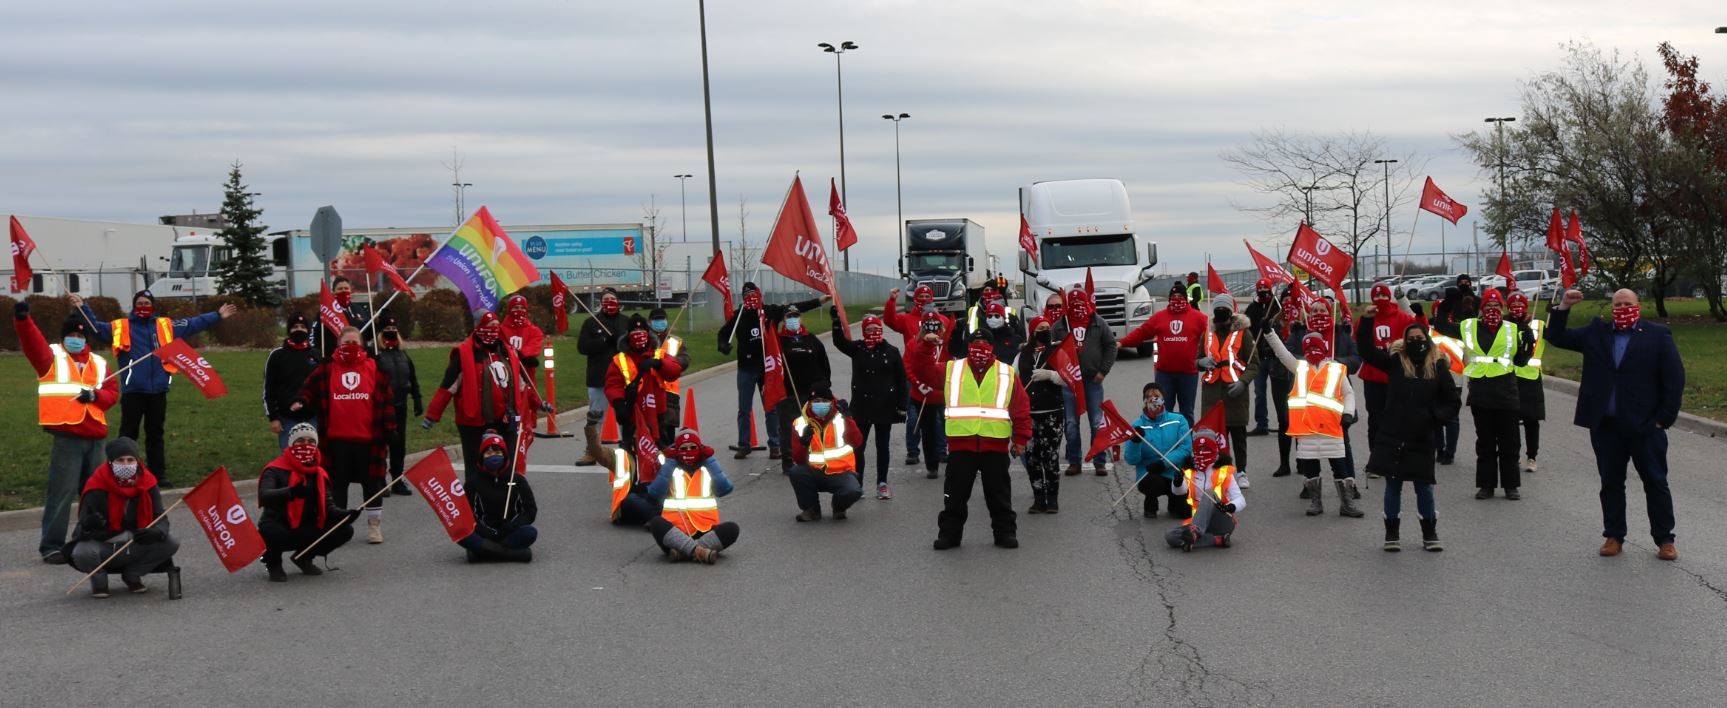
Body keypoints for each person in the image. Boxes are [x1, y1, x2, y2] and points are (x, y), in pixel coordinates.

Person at [1547, 288, 1684, 560]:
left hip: (1645, 426)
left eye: (1627, 304)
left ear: (1638, 306)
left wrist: (1663, 419)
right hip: (1607, 426)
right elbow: (1556, 336)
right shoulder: (1596, 333)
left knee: (1655, 482)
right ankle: (1613, 536)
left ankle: (1665, 539)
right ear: (1611, 308)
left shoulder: (1657, 335)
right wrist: (1563, 307)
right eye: (1618, 304)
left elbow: (1674, 378)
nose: (1623, 308)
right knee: (1610, 482)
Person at [73, 291, 234, 485]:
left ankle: (158, 475)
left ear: (153, 305)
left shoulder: (165, 326)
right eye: (140, 303)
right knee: (128, 435)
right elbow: (96, 328)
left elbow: (193, 323)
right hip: (133, 391)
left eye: (146, 303)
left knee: (155, 434)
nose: (143, 306)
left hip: (158, 391)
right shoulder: (120, 327)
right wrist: (82, 307)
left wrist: (217, 315)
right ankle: (122, 473)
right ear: (134, 306)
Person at [15, 302, 119, 564]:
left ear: (86, 339)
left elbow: (112, 393)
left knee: (96, 493)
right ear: (63, 338)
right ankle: (52, 546)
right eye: (71, 335)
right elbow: (32, 344)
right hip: (68, 437)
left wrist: (95, 396)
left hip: (96, 437)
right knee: (61, 493)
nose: (76, 339)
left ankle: (92, 537)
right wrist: (24, 321)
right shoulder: (51, 358)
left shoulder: (99, 363)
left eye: (80, 335)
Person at [1356, 316, 1461, 553]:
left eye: (1419, 338)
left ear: (1427, 340)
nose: (1415, 342)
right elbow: (1366, 351)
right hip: (1393, 435)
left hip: (1422, 436)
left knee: (1424, 487)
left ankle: (1429, 533)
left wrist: (1434, 417)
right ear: (1404, 342)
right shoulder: (1395, 363)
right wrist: (1367, 321)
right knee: (1393, 486)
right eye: (1411, 339)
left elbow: (1452, 402)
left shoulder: (1438, 366)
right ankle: (1392, 533)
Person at [290, 326, 396, 544]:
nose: (350, 347)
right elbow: (309, 388)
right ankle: (338, 526)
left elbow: (387, 401)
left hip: (369, 440)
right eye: (346, 343)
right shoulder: (327, 368)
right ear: (338, 345)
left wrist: (391, 429)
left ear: (362, 345)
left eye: (354, 343)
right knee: (338, 485)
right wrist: (301, 400)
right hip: (336, 440)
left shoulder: (375, 368)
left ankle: (374, 526)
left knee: (373, 484)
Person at [933, 330, 1032, 550]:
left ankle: (1005, 533)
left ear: (992, 347)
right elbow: (923, 372)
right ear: (968, 346)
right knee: (955, 495)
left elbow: (1020, 407)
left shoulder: (1006, 372)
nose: (980, 346)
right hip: (961, 445)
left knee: (999, 495)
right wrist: (924, 344)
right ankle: (949, 535)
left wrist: (1020, 438)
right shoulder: (952, 369)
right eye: (975, 342)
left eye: (985, 342)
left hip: (994, 445)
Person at [1436, 288, 1533, 500]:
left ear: (1502, 308)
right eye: (1488, 305)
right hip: (1481, 391)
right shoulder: (1469, 326)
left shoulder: (1512, 328)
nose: (1492, 309)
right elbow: (1441, 325)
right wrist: (1449, 302)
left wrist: (1528, 341)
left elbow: (1520, 360)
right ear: (1482, 308)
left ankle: (1511, 486)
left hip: (1506, 391)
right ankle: (1486, 485)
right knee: (1485, 442)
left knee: (1509, 442)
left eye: (1496, 305)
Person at [424, 313, 547, 479]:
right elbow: (448, 387)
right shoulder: (464, 354)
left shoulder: (507, 352)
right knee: (475, 466)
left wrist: (539, 403)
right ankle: (475, 493)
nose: (493, 330)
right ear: (479, 328)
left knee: (508, 464)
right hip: (473, 420)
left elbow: (522, 385)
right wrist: (433, 414)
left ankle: (506, 493)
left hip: (506, 419)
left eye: (496, 326)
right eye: (489, 326)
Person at [717, 283, 824, 460]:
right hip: (746, 368)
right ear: (742, 298)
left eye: (754, 294)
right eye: (747, 295)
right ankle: (744, 445)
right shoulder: (738, 315)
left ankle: (775, 445)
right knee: (744, 408)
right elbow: (723, 334)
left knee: (772, 407)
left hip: (767, 368)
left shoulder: (769, 311)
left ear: (760, 295)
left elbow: (793, 308)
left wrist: (818, 301)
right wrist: (723, 345)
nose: (751, 298)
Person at [65, 437, 179, 598]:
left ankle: (132, 575)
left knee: (171, 543)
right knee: (81, 552)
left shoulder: (148, 483)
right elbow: (80, 528)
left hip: (135, 542)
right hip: (105, 544)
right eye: (120, 460)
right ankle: (99, 581)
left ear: (137, 461)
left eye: (130, 460)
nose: (126, 464)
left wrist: (156, 532)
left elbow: (160, 517)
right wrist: (89, 524)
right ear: (111, 462)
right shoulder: (96, 485)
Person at [1265, 330, 1362, 517]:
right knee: (1310, 468)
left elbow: (1348, 393)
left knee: (1340, 467)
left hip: (1332, 428)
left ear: (1324, 348)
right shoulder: (1300, 367)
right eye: (1308, 348)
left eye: (1316, 346)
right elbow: (1282, 353)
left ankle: (1347, 504)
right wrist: (1270, 333)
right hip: (1307, 429)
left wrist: (1348, 414)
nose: (1312, 351)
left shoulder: (1336, 368)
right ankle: (1315, 502)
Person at [257, 424, 358, 581]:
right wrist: (291, 492)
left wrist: (346, 515)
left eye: (311, 441)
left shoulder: (319, 473)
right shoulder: (274, 469)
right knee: (271, 531)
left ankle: (304, 557)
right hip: (278, 522)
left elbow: (328, 506)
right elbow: (264, 495)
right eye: (300, 441)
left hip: (306, 525)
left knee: (345, 530)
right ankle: (274, 564)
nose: (306, 445)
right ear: (291, 444)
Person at [1286, 298, 1364, 488]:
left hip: (1335, 400)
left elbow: (1356, 359)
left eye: (1322, 310)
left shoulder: (1341, 333)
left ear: (1330, 313)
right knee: (1307, 446)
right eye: (1314, 311)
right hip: (1307, 402)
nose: (1318, 314)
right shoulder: (1299, 333)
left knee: (1342, 443)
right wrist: (1309, 362)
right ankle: (1310, 484)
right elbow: (1288, 355)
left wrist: (1337, 362)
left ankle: (1349, 484)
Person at [832, 313, 906, 499]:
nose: (873, 332)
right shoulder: (858, 348)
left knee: (883, 446)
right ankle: (858, 482)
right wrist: (836, 323)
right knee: (858, 446)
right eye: (869, 329)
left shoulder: (892, 351)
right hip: (862, 407)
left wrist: (902, 405)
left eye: (876, 328)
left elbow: (901, 380)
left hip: (885, 406)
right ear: (864, 331)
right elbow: (839, 342)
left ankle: (882, 483)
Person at [1356, 284, 1424, 476]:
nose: (1380, 300)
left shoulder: (1402, 318)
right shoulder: (1367, 318)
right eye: (1376, 296)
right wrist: (1365, 319)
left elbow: (1420, 331)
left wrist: (1420, 316)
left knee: (1398, 419)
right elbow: (1360, 340)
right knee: (1375, 421)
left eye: (1383, 296)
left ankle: (1397, 456)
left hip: (1397, 377)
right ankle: (1376, 460)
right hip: (1372, 377)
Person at [1049, 288, 1118, 476]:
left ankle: (1099, 461)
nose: (1077, 306)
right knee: (1071, 423)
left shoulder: (1098, 322)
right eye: (1073, 303)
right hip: (1069, 382)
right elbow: (1050, 350)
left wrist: (1103, 371)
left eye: (1080, 302)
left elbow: (1111, 346)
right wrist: (1060, 371)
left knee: (1096, 422)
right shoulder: (1060, 326)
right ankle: (1074, 461)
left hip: (1093, 381)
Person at [644, 430, 739, 563]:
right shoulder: (671, 466)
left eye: (693, 447)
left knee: (732, 529)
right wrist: (670, 463)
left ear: (700, 449)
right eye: (683, 448)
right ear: (677, 451)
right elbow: (654, 494)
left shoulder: (707, 466)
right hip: (676, 532)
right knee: (656, 523)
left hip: (706, 529)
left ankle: (684, 553)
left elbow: (725, 489)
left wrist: (709, 460)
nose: (688, 451)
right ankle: (699, 552)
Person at [1120, 285, 1208, 424]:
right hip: (1165, 374)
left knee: (1187, 412)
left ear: (1186, 298)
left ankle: (1186, 437)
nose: (1176, 299)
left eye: (1180, 296)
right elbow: (1141, 332)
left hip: (1188, 374)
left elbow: (1211, 336)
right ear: (1169, 299)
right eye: (1173, 297)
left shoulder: (1199, 318)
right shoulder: (1159, 317)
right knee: (1162, 411)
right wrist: (1122, 343)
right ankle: (1165, 437)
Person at [886, 285, 954, 466]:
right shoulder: (907, 319)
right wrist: (891, 301)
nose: (924, 299)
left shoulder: (942, 320)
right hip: (915, 376)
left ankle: (941, 450)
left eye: (927, 296)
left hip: (937, 375)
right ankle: (913, 451)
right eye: (921, 296)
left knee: (940, 416)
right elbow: (890, 321)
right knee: (914, 416)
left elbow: (950, 344)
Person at [1197, 294, 1258, 489]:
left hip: (1235, 393)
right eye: (1218, 309)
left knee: (1238, 435)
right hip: (1212, 394)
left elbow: (1253, 364)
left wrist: (1243, 382)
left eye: (1224, 308)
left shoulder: (1243, 333)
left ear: (1231, 311)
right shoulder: (1207, 334)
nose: (1221, 312)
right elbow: (1196, 359)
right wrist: (1201, 362)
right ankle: (1220, 471)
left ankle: (1241, 472)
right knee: (1215, 436)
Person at [605, 319, 684, 452]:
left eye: (642, 330)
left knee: (663, 452)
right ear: (628, 335)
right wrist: (618, 404)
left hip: (658, 413)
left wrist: (658, 364)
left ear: (648, 333)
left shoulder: (659, 354)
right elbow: (612, 384)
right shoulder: (620, 359)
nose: (638, 333)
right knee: (630, 452)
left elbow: (674, 371)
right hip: (631, 412)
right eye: (635, 331)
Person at [457, 431, 537, 563]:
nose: (493, 455)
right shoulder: (473, 482)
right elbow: (468, 515)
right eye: (488, 453)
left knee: (530, 532)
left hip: (510, 531)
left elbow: (530, 510)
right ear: (482, 457)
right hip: (484, 533)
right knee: (462, 536)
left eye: (497, 452)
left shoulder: (517, 479)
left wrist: (513, 525)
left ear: (504, 455)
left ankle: (484, 552)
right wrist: (487, 531)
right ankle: (513, 554)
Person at [1017, 315, 1069, 513]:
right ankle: (1038, 498)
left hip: (1052, 412)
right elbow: (1013, 378)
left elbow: (1068, 378)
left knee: (1050, 457)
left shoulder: (1057, 351)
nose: (1045, 331)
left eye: (1047, 327)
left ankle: (1053, 498)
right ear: (1033, 332)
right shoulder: (1022, 354)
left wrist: (1050, 375)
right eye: (1041, 328)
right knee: (1032, 458)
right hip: (1028, 414)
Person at [788, 385, 863, 522]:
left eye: (824, 401)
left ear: (831, 402)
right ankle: (811, 509)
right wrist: (803, 444)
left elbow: (857, 442)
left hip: (841, 472)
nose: (820, 404)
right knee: (796, 472)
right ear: (809, 403)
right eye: (816, 401)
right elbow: (798, 460)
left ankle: (839, 507)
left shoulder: (841, 418)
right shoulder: (800, 423)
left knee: (853, 490)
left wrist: (849, 419)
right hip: (813, 471)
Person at [772, 304, 832, 473]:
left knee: (814, 425)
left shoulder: (811, 339)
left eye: (795, 316)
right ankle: (788, 460)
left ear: (800, 318)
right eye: (789, 316)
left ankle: (814, 457)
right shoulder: (778, 341)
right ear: (784, 320)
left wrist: (824, 385)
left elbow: (824, 363)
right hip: (788, 393)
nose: (793, 319)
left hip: (811, 393)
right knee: (788, 428)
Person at [575, 287, 629, 465]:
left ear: (618, 302)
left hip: (623, 378)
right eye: (606, 300)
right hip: (599, 378)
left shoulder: (627, 322)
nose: (609, 303)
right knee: (595, 416)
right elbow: (582, 347)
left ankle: (630, 450)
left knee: (626, 415)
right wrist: (604, 341)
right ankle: (592, 451)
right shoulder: (591, 323)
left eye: (612, 300)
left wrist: (621, 342)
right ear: (600, 303)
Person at [1165, 432, 1244, 552]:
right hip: (1199, 520)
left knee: (1209, 493)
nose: (1202, 453)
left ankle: (1195, 533)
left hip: (1221, 519)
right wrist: (1177, 482)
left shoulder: (1223, 471)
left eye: (1205, 449)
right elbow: (1179, 492)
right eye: (1199, 449)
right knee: (1170, 536)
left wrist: (1230, 507)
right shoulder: (1190, 470)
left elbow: (1240, 499)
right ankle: (1217, 540)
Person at [1125, 383, 1194, 520]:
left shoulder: (1179, 420)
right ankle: (1150, 503)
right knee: (1153, 483)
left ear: (1163, 399)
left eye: (1157, 396)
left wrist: (1164, 463)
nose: (1153, 400)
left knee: (1185, 513)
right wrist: (1135, 443)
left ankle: (1174, 502)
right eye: (1149, 397)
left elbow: (1185, 448)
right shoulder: (1136, 426)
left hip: (1175, 472)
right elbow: (1131, 459)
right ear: (1144, 401)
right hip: (1150, 473)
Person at [373, 314, 423, 495]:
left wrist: (417, 399)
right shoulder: (375, 355)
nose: (392, 332)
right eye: (388, 329)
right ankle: (380, 481)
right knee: (381, 445)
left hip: (401, 406)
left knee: (399, 446)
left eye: (394, 329)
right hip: (382, 408)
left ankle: (397, 480)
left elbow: (412, 378)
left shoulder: (403, 355)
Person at [263, 314, 322, 449]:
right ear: (289, 330)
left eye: (302, 327)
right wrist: (273, 417)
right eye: (295, 327)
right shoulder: (277, 355)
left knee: (312, 456)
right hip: (287, 418)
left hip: (313, 417)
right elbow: (268, 389)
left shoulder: (316, 354)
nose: (299, 329)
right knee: (289, 457)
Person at [903, 311, 950, 478]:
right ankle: (932, 465)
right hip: (923, 394)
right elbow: (908, 366)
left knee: (949, 426)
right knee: (928, 429)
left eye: (935, 324)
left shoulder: (946, 343)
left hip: (945, 392)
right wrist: (918, 384)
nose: (932, 328)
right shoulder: (913, 344)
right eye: (928, 324)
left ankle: (946, 453)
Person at [1506, 291, 1546, 475]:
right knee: (1510, 421)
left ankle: (1532, 457)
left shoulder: (1538, 324)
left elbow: (1555, 335)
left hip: (1531, 378)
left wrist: (1556, 314)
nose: (1517, 308)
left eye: (1520, 304)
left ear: (1527, 306)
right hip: (1509, 377)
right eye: (1513, 305)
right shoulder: (1504, 324)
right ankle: (1514, 455)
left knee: (1531, 420)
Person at [500, 293, 547, 436]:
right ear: (509, 310)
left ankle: (525, 428)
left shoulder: (534, 331)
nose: (518, 311)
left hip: (526, 372)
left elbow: (534, 347)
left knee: (527, 398)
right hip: (506, 372)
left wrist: (519, 354)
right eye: (515, 308)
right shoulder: (501, 329)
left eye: (521, 308)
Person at [646, 307, 692, 443]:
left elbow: (685, 359)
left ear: (667, 321)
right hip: (649, 391)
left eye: (662, 319)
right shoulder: (645, 340)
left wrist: (669, 364)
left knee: (668, 431)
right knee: (650, 429)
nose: (660, 322)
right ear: (649, 322)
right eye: (656, 320)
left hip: (670, 393)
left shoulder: (675, 341)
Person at [1242, 279, 1281, 436]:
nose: (1263, 290)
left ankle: (1284, 422)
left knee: (1279, 393)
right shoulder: (1252, 308)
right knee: (1259, 392)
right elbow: (1246, 329)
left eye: (1266, 288)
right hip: (1258, 356)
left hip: (1275, 356)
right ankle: (1261, 424)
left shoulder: (1277, 307)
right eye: (1260, 288)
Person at [951, 301, 1023, 365]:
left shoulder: (1015, 339)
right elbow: (960, 354)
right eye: (990, 316)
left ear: (1003, 318)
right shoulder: (978, 339)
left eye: (997, 316)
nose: (993, 319)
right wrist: (956, 333)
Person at [328, 276, 373, 349]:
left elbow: (368, 333)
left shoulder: (358, 309)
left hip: (359, 351)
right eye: (340, 289)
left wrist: (376, 324)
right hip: (337, 352)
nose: (344, 291)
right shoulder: (328, 310)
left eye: (346, 288)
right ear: (333, 292)